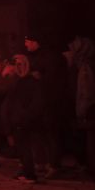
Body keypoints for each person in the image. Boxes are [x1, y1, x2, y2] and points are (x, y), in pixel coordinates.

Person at [24, 32, 68, 177]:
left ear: (37, 42)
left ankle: (54, 165)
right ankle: (42, 162)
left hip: (49, 101)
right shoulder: (38, 56)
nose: (26, 44)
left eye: (29, 41)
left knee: (50, 133)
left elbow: (53, 80)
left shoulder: (50, 57)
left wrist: (37, 77)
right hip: (39, 101)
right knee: (39, 131)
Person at [3, 55, 44, 184]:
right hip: (17, 119)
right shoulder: (17, 81)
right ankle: (26, 171)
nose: (19, 67)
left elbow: (36, 102)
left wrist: (24, 115)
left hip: (24, 119)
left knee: (26, 147)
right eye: (17, 65)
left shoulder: (31, 81)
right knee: (21, 146)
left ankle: (30, 174)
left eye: (22, 64)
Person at [68, 36, 95, 176]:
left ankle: (89, 167)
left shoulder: (85, 67)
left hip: (86, 109)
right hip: (85, 107)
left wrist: (82, 111)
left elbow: (86, 91)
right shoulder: (83, 64)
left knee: (88, 140)